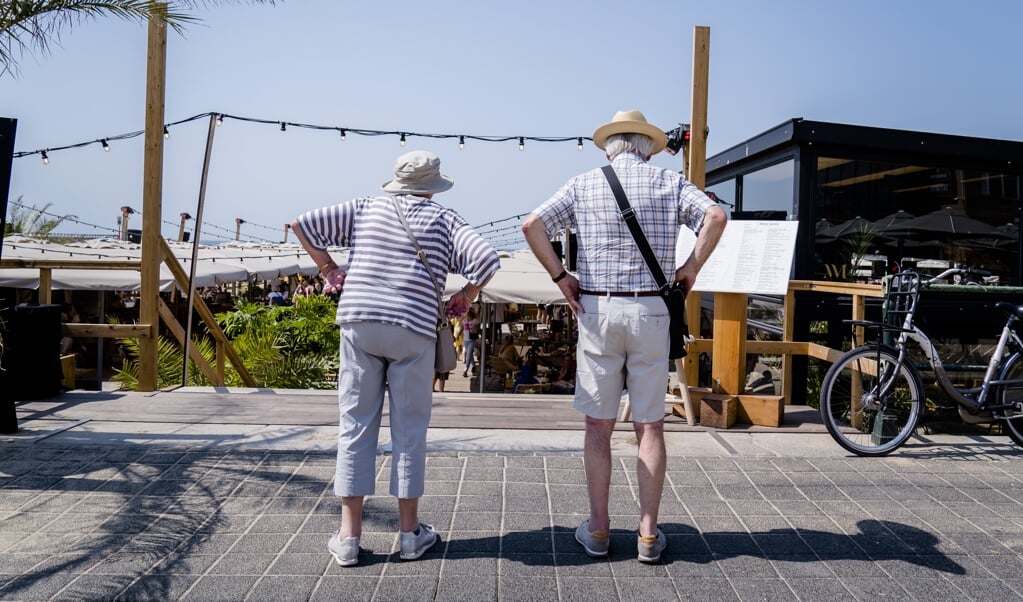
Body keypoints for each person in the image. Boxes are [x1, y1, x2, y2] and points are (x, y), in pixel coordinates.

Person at [522, 109, 727, 563]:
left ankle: (597, 530)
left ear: (611, 147)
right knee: (650, 425)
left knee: (599, 426)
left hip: (597, 309)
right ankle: (649, 535)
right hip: (652, 310)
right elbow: (714, 216)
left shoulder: (583, 184)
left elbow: (531, 226)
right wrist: (690, 268)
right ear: (648, 147)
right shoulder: (669, 183)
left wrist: (560, 276)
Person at [291, 150, 500, 567]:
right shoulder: (445, 219)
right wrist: (465, 296)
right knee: (409, 431)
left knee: (354, 426)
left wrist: (329, 269)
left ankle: (349, 538)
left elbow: (302, 224)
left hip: (360, 321)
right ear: (434, 184)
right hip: (412, 328)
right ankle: (409, 535)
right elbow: (487, 260)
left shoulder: (365, 208)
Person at [462, 307, 480, 377]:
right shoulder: (464, 321)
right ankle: (474, 365)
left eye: (469, 314)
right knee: (470, 354)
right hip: (465, 339)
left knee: (468, 355)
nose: (468, 316)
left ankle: (465, 370)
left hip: (472, 340)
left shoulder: (475, 321)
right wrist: (457, 336)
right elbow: (462, 328)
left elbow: (478, 330)